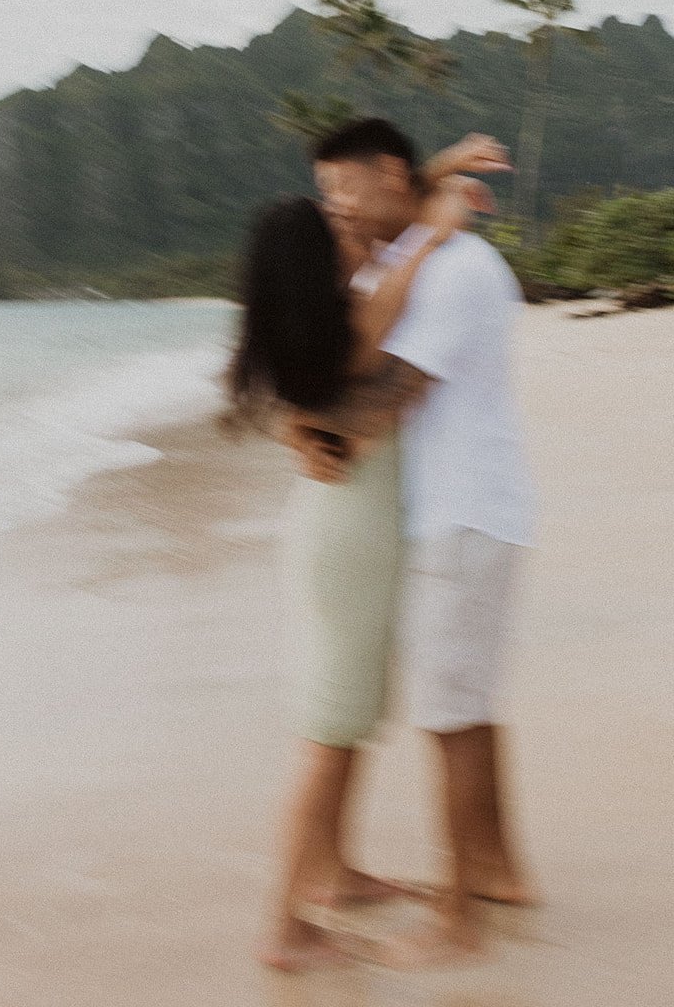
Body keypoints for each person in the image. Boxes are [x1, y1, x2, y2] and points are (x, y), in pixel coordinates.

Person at [227, 144, 495, 972]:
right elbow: (401, 272)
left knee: (344, 718)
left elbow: (389, 221)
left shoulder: (327, 321)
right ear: (321, 260)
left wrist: (435, 166)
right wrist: (438, 222)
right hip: (347, 544)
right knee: (331, 732)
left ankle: (335, 876)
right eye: (337, 222)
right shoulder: (357, 324)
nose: (357, 225)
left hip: (337, 534)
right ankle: (284, 926)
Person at [292, 117, 540, 965]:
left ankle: (458, 922)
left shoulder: (456, 271)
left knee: (449, 717)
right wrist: (435, 182)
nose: (337, 209)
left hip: (464, 513)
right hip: (459, 512)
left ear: (386, 175)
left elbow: (389, 394)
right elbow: (387, 250)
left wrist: (308, 429)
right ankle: (498, 874)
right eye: (324, 197)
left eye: (343, 190)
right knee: (463, 711)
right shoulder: (420, 253)